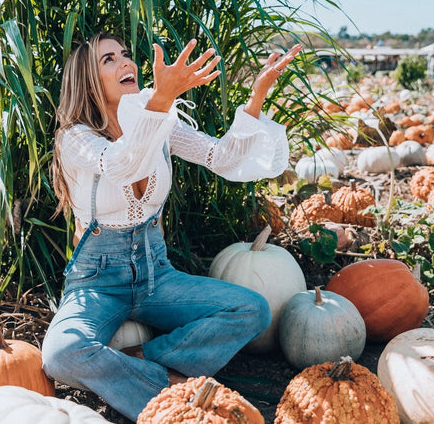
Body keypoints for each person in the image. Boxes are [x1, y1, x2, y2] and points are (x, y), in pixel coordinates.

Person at [41, 32, 302, 421]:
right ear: (87, 81)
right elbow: (120, 164)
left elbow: (223, 156)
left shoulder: (161, 123)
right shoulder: (74, 138)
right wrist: (160, 100)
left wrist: (258, 93)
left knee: (251, 310)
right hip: (97, 279)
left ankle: (138, 362)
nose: (125, 62)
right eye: (108, 59)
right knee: (61, 354)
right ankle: (172, 391)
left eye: (125, 54)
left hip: (154, 273)